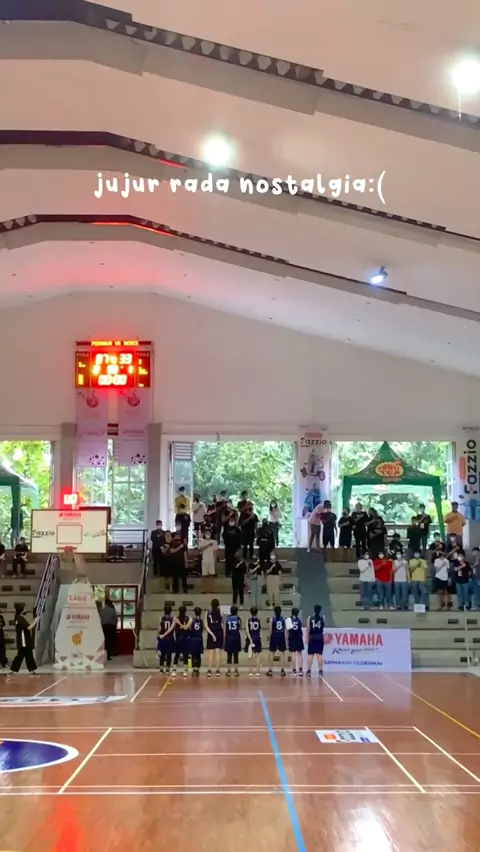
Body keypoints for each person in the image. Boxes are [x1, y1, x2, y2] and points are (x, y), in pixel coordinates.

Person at [8, 603, 38, 676]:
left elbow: (27, 625)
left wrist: (34, 620)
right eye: (24, 609)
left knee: (27, 655)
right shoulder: (20, 618)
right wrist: (36, 621)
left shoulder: (19, 618)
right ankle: (14, 670)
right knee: (22, 656)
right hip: (23, 641)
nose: (26, 610)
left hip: (24, 641)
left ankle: (30, 670)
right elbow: (29, 627)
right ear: (21, 610)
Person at [266, 605, 287, 677]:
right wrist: (285, 639)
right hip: (281, 636)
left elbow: (270, 629)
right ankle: (282, 670)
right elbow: (285, 630)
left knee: (272, 653)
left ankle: (270, 670)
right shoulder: (283, 619)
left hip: (274, 636)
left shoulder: (272, 619)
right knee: (282, 653)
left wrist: (271, 636)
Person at [205, 599, 223, 678]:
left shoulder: (207, 612)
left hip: (211, 632)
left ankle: (209, 671)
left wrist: (212, 635)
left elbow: (206, 625)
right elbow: (222, 624)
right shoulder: (220, 612)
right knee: (218, 653)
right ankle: (217, 671)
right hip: (219, 632)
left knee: (210, 653)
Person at [306, 604, 325, 677]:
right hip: (319, 636)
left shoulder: (310, 617)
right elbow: (323, 626)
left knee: (310, 654)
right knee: (319, 654)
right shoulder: (323, 617)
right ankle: (320, 671)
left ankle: (309, 671)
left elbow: (308, 629)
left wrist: (307, 638)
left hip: (312, 637)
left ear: (314, 610)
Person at [157, 604, 176, 674]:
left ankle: (161, 669)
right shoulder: (173, 619)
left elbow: (159, 629)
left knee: (162, 653)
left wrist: (159, 636)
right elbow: (172, 628)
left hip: (163, 638)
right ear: (170, 611)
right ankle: (168, 669)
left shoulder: (161, 618)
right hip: (170, 638)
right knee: (169, 654)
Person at [224, 605, 242, 677]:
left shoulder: (227, 619)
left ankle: (228, 671)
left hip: (229, 637)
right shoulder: (239, 619)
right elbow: (239, 628)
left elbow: (225, 630)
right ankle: (236, 671)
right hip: (236, 637)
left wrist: (225, 638)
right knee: (236, 655)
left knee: (229, 655)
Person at [173, 606, 190, 678]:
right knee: (178, 655)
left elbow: (186, 628)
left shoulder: (187, 618)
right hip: (181, 639)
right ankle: (176, 670)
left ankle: (183, 670)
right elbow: (174, 627)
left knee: (183, 655)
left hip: (183, 638)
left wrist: (179, 623)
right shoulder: (177, 618)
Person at [246, 606, 262, 677]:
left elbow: (247, 631)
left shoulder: (248, 620)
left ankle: (250, 671)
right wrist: (260, 636)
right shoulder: (258, 620)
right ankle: (257, 671)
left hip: (251, 638)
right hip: (257, 638)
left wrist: (250, 639)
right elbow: (260, 630)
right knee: (257, 655)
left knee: (250, 655)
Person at [288, 607, 304, 676]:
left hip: (292, 638)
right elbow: (300, 630)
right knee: (299, 654)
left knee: (293, 654)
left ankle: (294, 670)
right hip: (299, 638)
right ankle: (300, 670)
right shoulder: (299, 620)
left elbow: (287, 630)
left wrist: (286, 639)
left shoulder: (289, 620)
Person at [189, 607, 204, 677]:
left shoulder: (192, 620)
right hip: (199, 638)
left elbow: (189, 628)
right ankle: (197, 669)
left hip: (193, 639)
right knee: (198, 655)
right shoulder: (201, 621)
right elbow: (202, 629)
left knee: (193, 655)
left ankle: (194, 669)